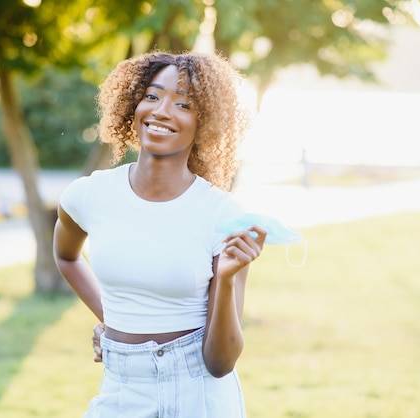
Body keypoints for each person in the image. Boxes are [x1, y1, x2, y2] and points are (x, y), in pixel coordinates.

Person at [53, 51, 267, 417]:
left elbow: (220, 363)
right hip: (121, 388)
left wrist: (228, 280)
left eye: (183, 104)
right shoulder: (88, 196)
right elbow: (66, 256)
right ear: (132, 105)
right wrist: (115, 318)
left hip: (198, 393)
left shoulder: (224, 215)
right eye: (152, 96)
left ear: (205, 123)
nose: (162, 111)